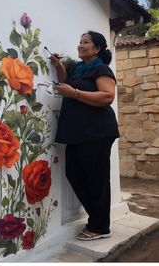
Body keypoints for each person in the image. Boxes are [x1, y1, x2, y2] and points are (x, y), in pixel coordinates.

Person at [50, 31, 120, 241]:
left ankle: (99, 226)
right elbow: (67, 82)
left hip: (97, 132)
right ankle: (97, 218)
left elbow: (107, 96)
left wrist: (75, 94)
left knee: (96, 179)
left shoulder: (101, 69)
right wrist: (58, 66)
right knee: (74, 173)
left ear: (97, 48)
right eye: (79, 41)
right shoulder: (79, 69)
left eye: (85, 42)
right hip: (78, 132)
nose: (80, 45)